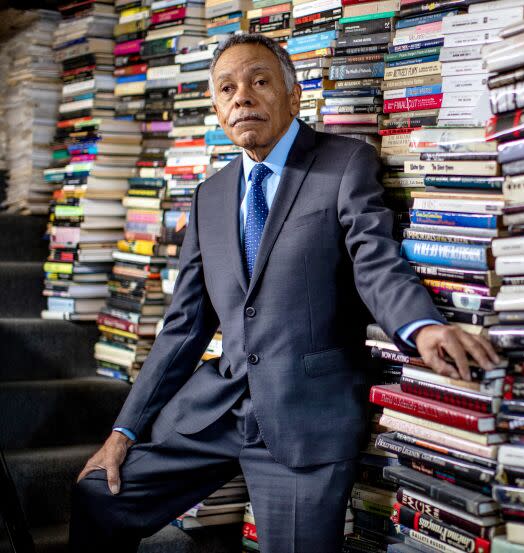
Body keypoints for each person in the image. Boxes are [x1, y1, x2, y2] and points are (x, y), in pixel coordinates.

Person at [69, 33, 500, 552]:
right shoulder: (210, 196)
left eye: (259, 82)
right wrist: (124, 433)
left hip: (305, 413)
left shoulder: (344, 164)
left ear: (293, 97)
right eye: (227, 88)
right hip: (217, 411)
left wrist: (422, 327)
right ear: (216, 107)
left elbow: (376, 263)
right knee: (99, 495)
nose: (242, 97)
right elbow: (184, 326)